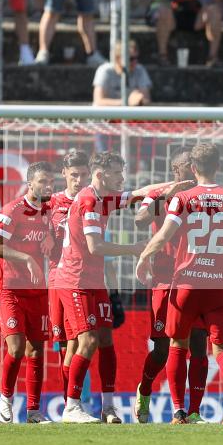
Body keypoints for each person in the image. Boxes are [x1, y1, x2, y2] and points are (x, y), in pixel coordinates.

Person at [53, 151, 190, 423]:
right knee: (86, 341)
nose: (122, 178)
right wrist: (133, 249)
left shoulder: (104, 198)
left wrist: (171, 187)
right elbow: (95, 247)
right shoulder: (89, 201)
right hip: (75, 280)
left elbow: (140, 193)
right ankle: (71, 406)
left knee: (105, 339)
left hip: (94, 281)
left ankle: (108, 408)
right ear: (101, 175)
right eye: (117, 173)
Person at [136, 143, 223, 425]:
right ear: (218, 166)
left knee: (180, 346)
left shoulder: (185, 199)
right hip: (216, 284)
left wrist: (143, 257)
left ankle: (182, 411)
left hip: (186, 283)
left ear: (193, 168)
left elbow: (164, 235)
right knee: (221, 348)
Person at [133, 150, 211, 424]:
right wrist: (167, 195)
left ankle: (193, 411)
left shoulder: (205, 194)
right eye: (188, 164)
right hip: (165, 279)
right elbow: (140, 219)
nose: (194, 168)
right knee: (162, 349)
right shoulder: (158, 192)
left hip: (196, 278)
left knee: (199, 344)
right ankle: (145, 388)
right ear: (177, 169)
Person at [0, 161, 55, 424]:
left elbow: (58, 232)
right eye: (42, 182)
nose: (47, 186)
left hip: (37, 290)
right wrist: (26, 259)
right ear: (30, 184)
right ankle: (5, 400)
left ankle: (33, 411)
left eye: (50, 182)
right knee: (16, 348)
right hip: (10, 289)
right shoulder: (12, 210)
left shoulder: (50, 210)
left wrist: (52, 236)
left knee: (36, 350)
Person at [47, 149, 90, 402]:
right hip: (56, 278)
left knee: (78, 342)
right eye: (74, 174)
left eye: (83, 174)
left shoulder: (91, 200)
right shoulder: (51, 202)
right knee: (64, 344)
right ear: (64, 173)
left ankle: (72, 403)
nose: (79, 180)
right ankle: (69, 403)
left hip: (82, 279)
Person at [92, 40, 151, 107]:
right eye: (131, 59)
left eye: (136, 58)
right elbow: (98, 101)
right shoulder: (105, 71)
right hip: (106, 113)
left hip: (129, 112)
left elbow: (146, 99)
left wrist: (140, 100)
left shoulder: (140, 70)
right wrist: (126, 102)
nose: (135, 62)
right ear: (117, 58)